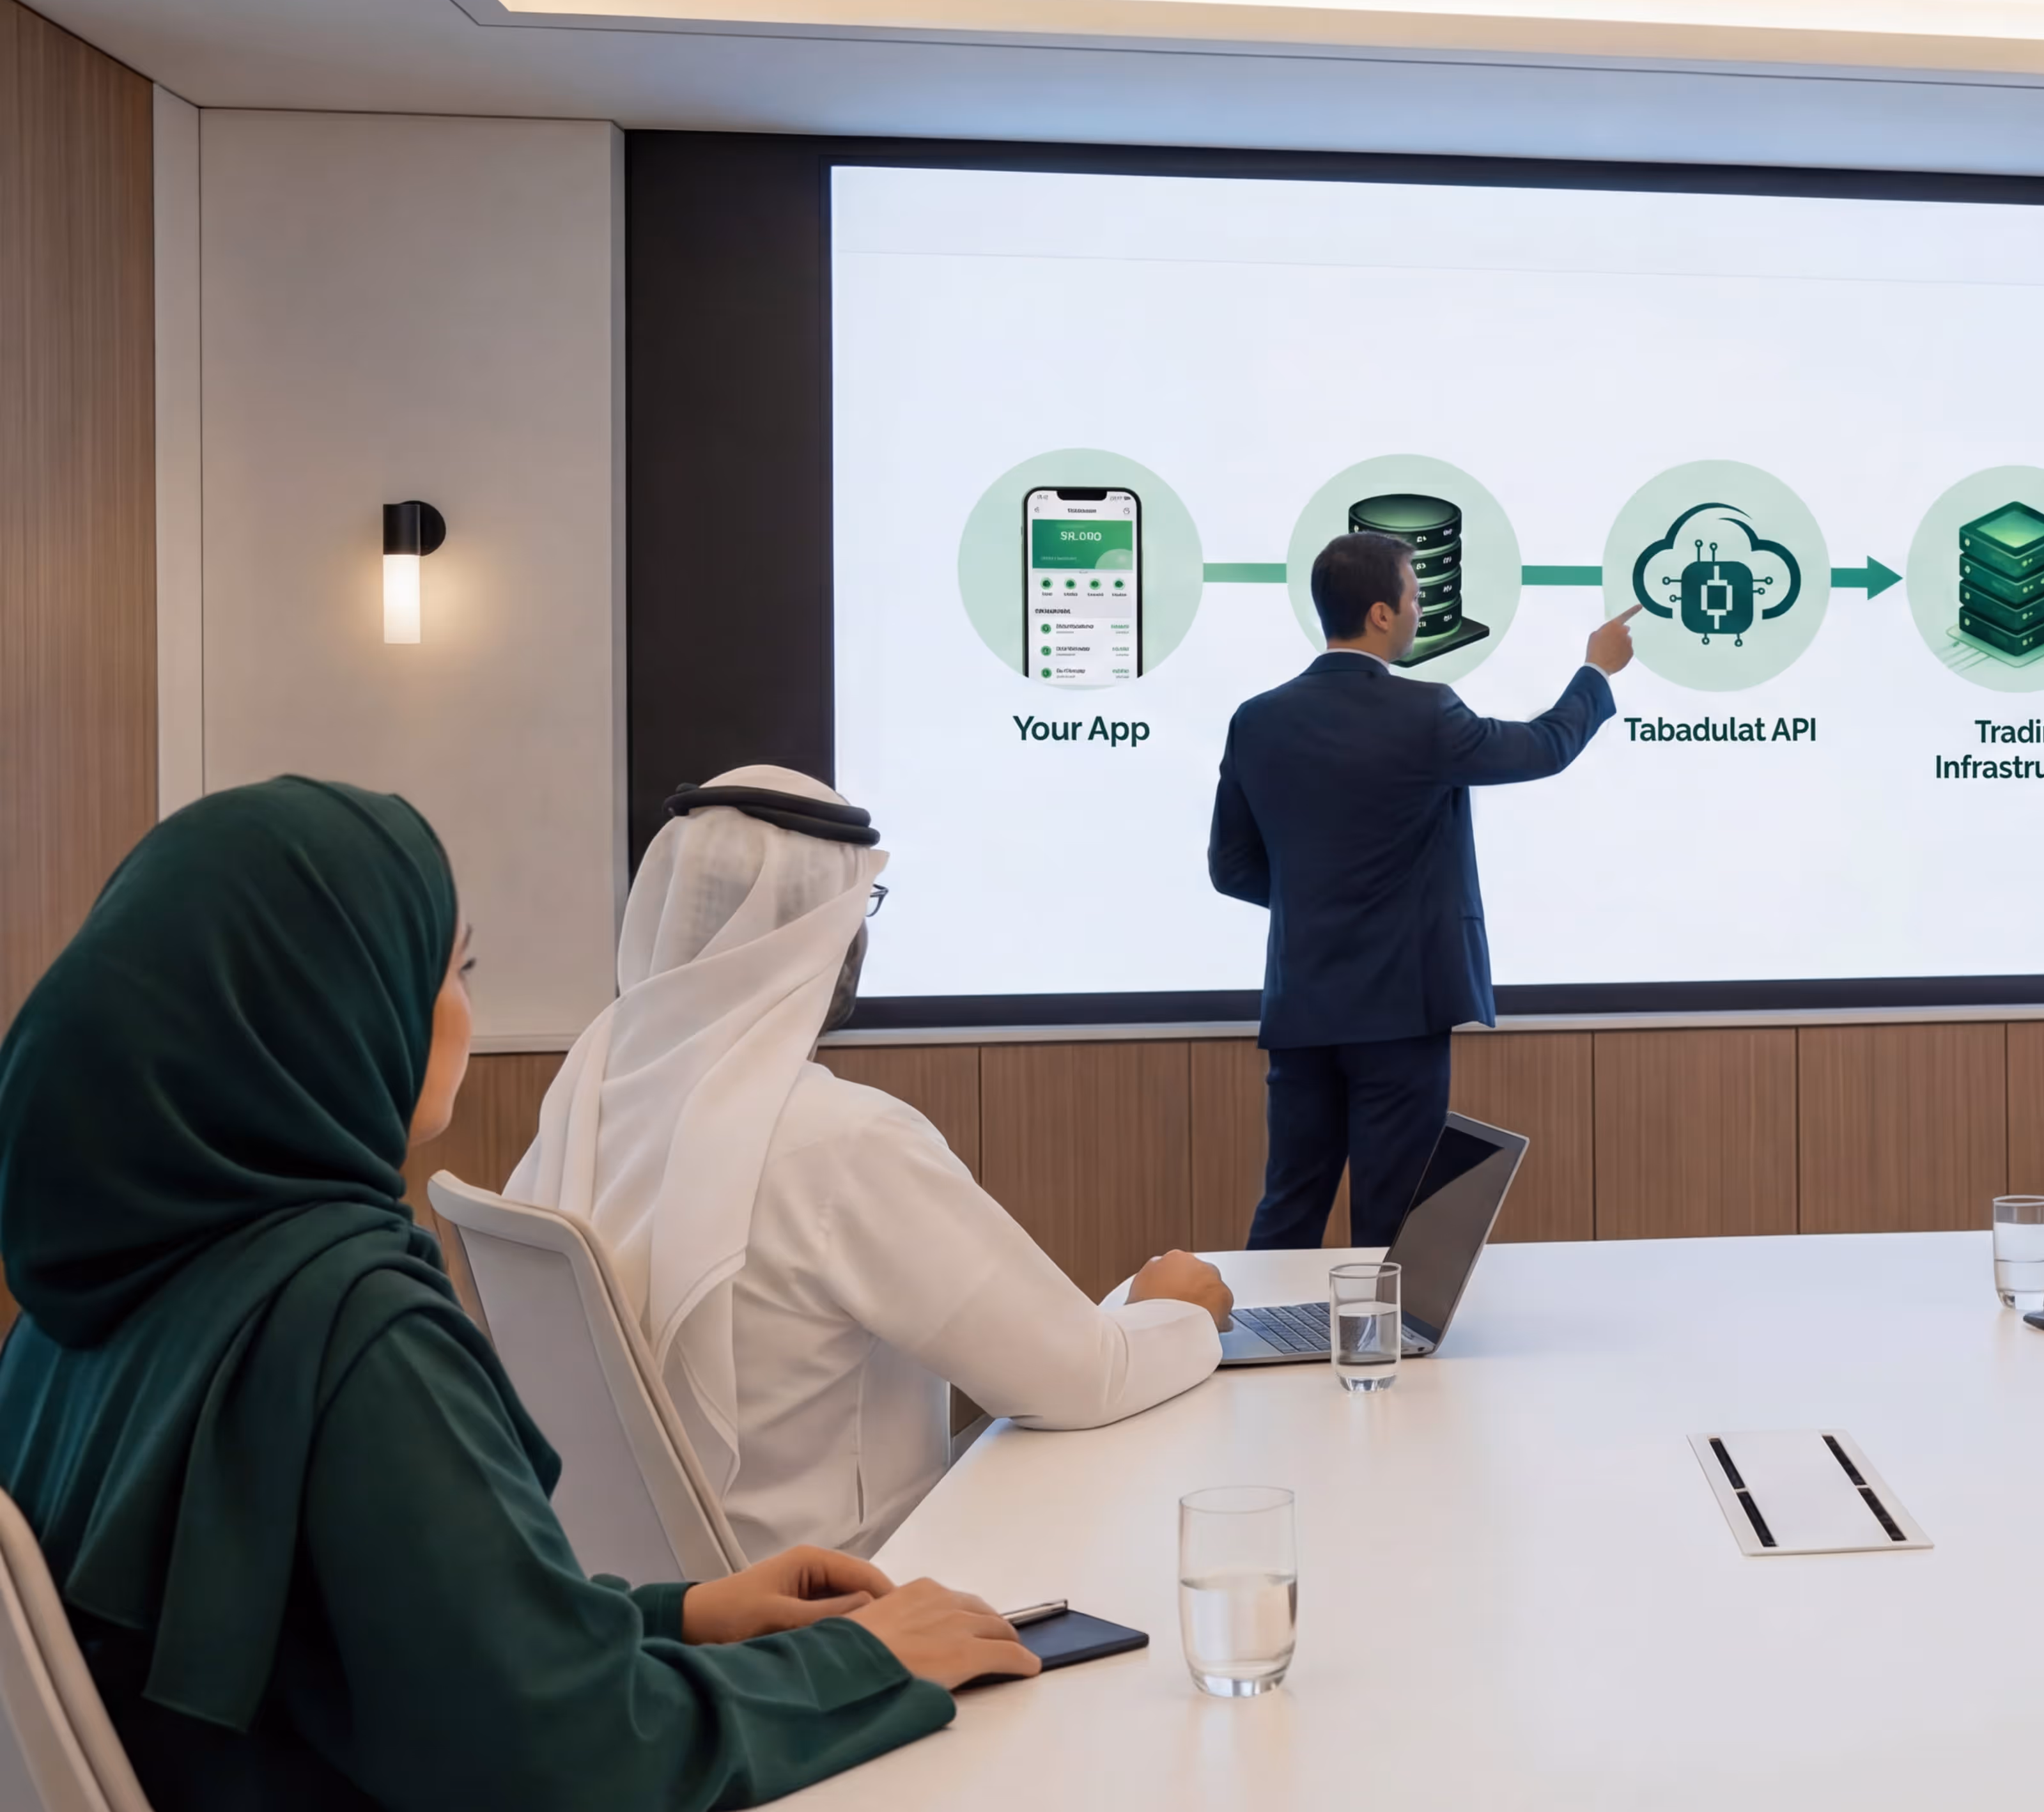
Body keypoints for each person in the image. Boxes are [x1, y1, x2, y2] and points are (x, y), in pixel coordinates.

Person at [0, 777, 1034, 1809]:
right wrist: (872, 1660)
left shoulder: (79, 1310)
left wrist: (681, 1615)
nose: (465, 1013)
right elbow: (570, 1759)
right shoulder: (348, 1327)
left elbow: (396, 1645)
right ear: (333, 1002)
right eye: (451, 971)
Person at [508, 766, 1232, 1563]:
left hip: (646, 1617)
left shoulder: (585, 1107)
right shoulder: (842, 1141)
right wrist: (1174, 1307)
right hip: (856, 1608)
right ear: (828, 931)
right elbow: (1080, 1380)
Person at [1210, 531, 1635, 1248]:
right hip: (1401, 1010)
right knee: (1391, 1215)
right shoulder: (1423, 713)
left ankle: (1262, 1352)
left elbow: (1233, 868)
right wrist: (1596, 673)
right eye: (1414, 598)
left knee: (1288, 1206)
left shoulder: (1257, 719)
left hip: (1302, 1006)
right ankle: (1378, 1358)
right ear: (1380, 613)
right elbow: (1542, 748)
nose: (1417, 612)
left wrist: (1319, 901)